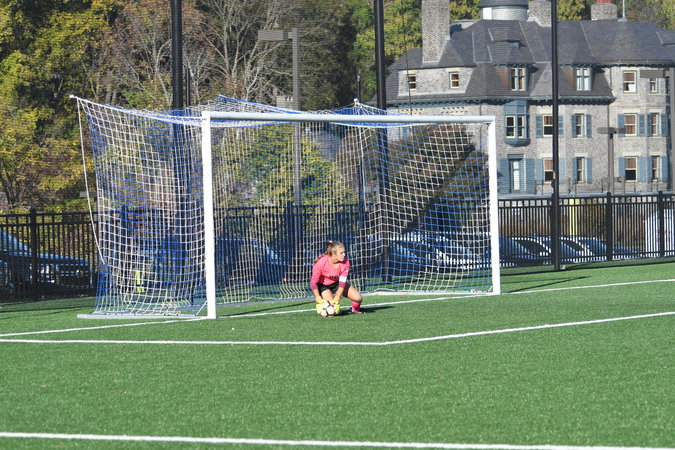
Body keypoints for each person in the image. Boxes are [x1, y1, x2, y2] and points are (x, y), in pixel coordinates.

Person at [310, 240, 363, 315]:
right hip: (323, 286)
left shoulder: (346, 262)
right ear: (334, 254)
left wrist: (338, 296)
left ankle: (355, 310)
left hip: (337, 284)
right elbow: (313, 283)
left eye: (344, 252)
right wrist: (317, 297)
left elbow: (342, 283)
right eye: (341, 253)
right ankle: (336, 311)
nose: (344, 254)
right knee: (331, 310)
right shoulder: (321, 263)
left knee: (358, 298)